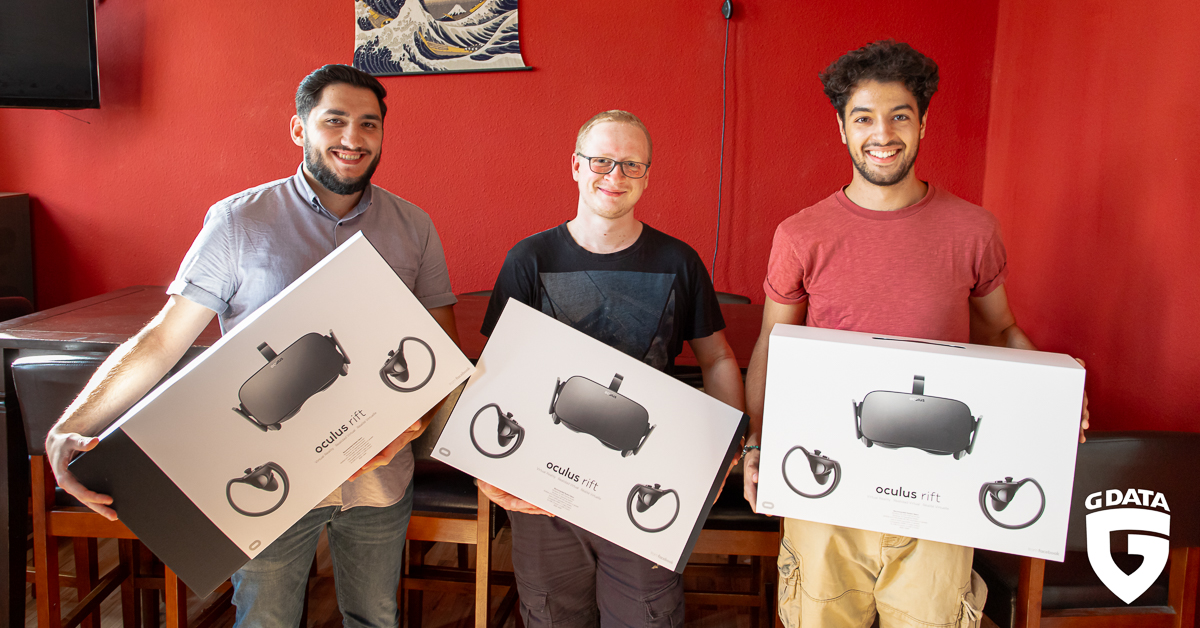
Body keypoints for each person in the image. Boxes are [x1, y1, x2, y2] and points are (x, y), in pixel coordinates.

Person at [44, 64, 458, 628]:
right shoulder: (238, 221)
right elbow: (164, 339)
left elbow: (442, 353)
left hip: (379, 480)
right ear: (299, 129)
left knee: (375, 619)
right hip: (267, 482)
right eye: (334, 120)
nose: (353, 137)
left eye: (369, 124)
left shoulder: (414, 226)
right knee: (266, 621)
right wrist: (72, 424)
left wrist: (412, 427)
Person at [740, 41, 1089, 628]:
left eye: (899, 115)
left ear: (923, 122)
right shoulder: (801, 235)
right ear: (841, 129)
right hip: (826, 483)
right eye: (864, 118)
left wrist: (1060, 391)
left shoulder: (973, 230)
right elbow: (772, 346)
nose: (883, 134)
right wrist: (756, 441)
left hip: (941, 489)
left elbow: (1001, 329)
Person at [477, 110, 746, 627]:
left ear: (647, 175)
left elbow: (717, 358)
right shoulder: (528, 258)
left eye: (631, 165)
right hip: (542, 479)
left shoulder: (680, 261)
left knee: (646, 616)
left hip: (646, 478)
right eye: (601, 161)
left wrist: (726, 451)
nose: (615, 175)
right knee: (553, 615)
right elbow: (496, 370)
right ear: (576, 166)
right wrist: (487, 464)